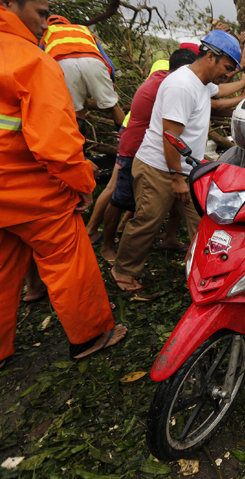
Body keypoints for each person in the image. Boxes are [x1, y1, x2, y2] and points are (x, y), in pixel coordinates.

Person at [0, 0, 127, 368]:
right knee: (68, 257)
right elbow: (58, 146)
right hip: (30, 191)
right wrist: (83, 184)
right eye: (41, 14)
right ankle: (91, 335)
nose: (45, 25)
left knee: (4, 265)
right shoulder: (33, 61)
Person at [110, 30, 245, 292]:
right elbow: (170, 136)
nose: (228, 74)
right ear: (209, 57)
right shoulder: (182, 85)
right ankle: (123, 270)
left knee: (203, 220)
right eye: (227, 68)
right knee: (148, 220)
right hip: (159, 168)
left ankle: (206, 269)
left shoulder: (202, 82)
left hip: (188, 169)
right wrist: (176, 177)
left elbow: (221, 88)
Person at [99, 48, 201, 263]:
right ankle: (105, 243)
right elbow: (171, 134)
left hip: (158, 153)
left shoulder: (167, 77)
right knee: (121, 200)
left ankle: (169, 238)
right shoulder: (175, 86)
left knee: (170, 203)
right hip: (135, 147)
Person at [41, 15, 124, 129]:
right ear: (68, 23)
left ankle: (81, 145)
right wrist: (111, 83)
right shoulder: (83, 29)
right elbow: (108, 61)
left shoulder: (46, 32)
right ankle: (126, 140)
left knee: (77, 109)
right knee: (113, 105)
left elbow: (40, 59)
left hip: (64, 65)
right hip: (93, 62)